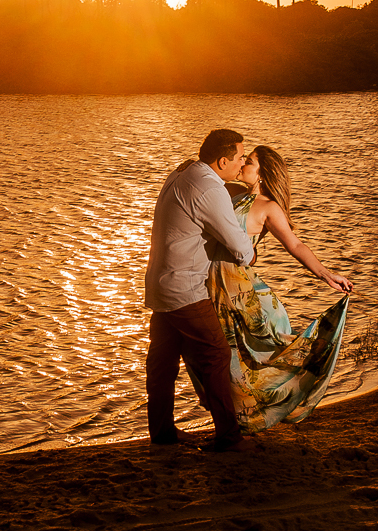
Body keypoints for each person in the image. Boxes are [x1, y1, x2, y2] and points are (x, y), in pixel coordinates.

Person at [200, 144, 353, 434]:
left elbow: (294, 245)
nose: (243, 164)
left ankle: (240, 422)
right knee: (211, 353)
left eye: (251, 162)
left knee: (241, 355)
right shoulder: (230, 193)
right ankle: (230, 421)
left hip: (239, 291)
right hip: (209, 285)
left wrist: (327, 275)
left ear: (263, 173)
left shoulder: (268, 208)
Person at [144, 129, 256, 453]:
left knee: (162, 363)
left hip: (159, 285)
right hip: (184, 289)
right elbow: (239, 248)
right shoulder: (210, 187)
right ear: (223, 160)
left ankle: (162, 434)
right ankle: (229, 438)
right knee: (217, 354)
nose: (242, 163)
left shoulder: (182, 171)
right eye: (239, 158)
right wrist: (251, 254)